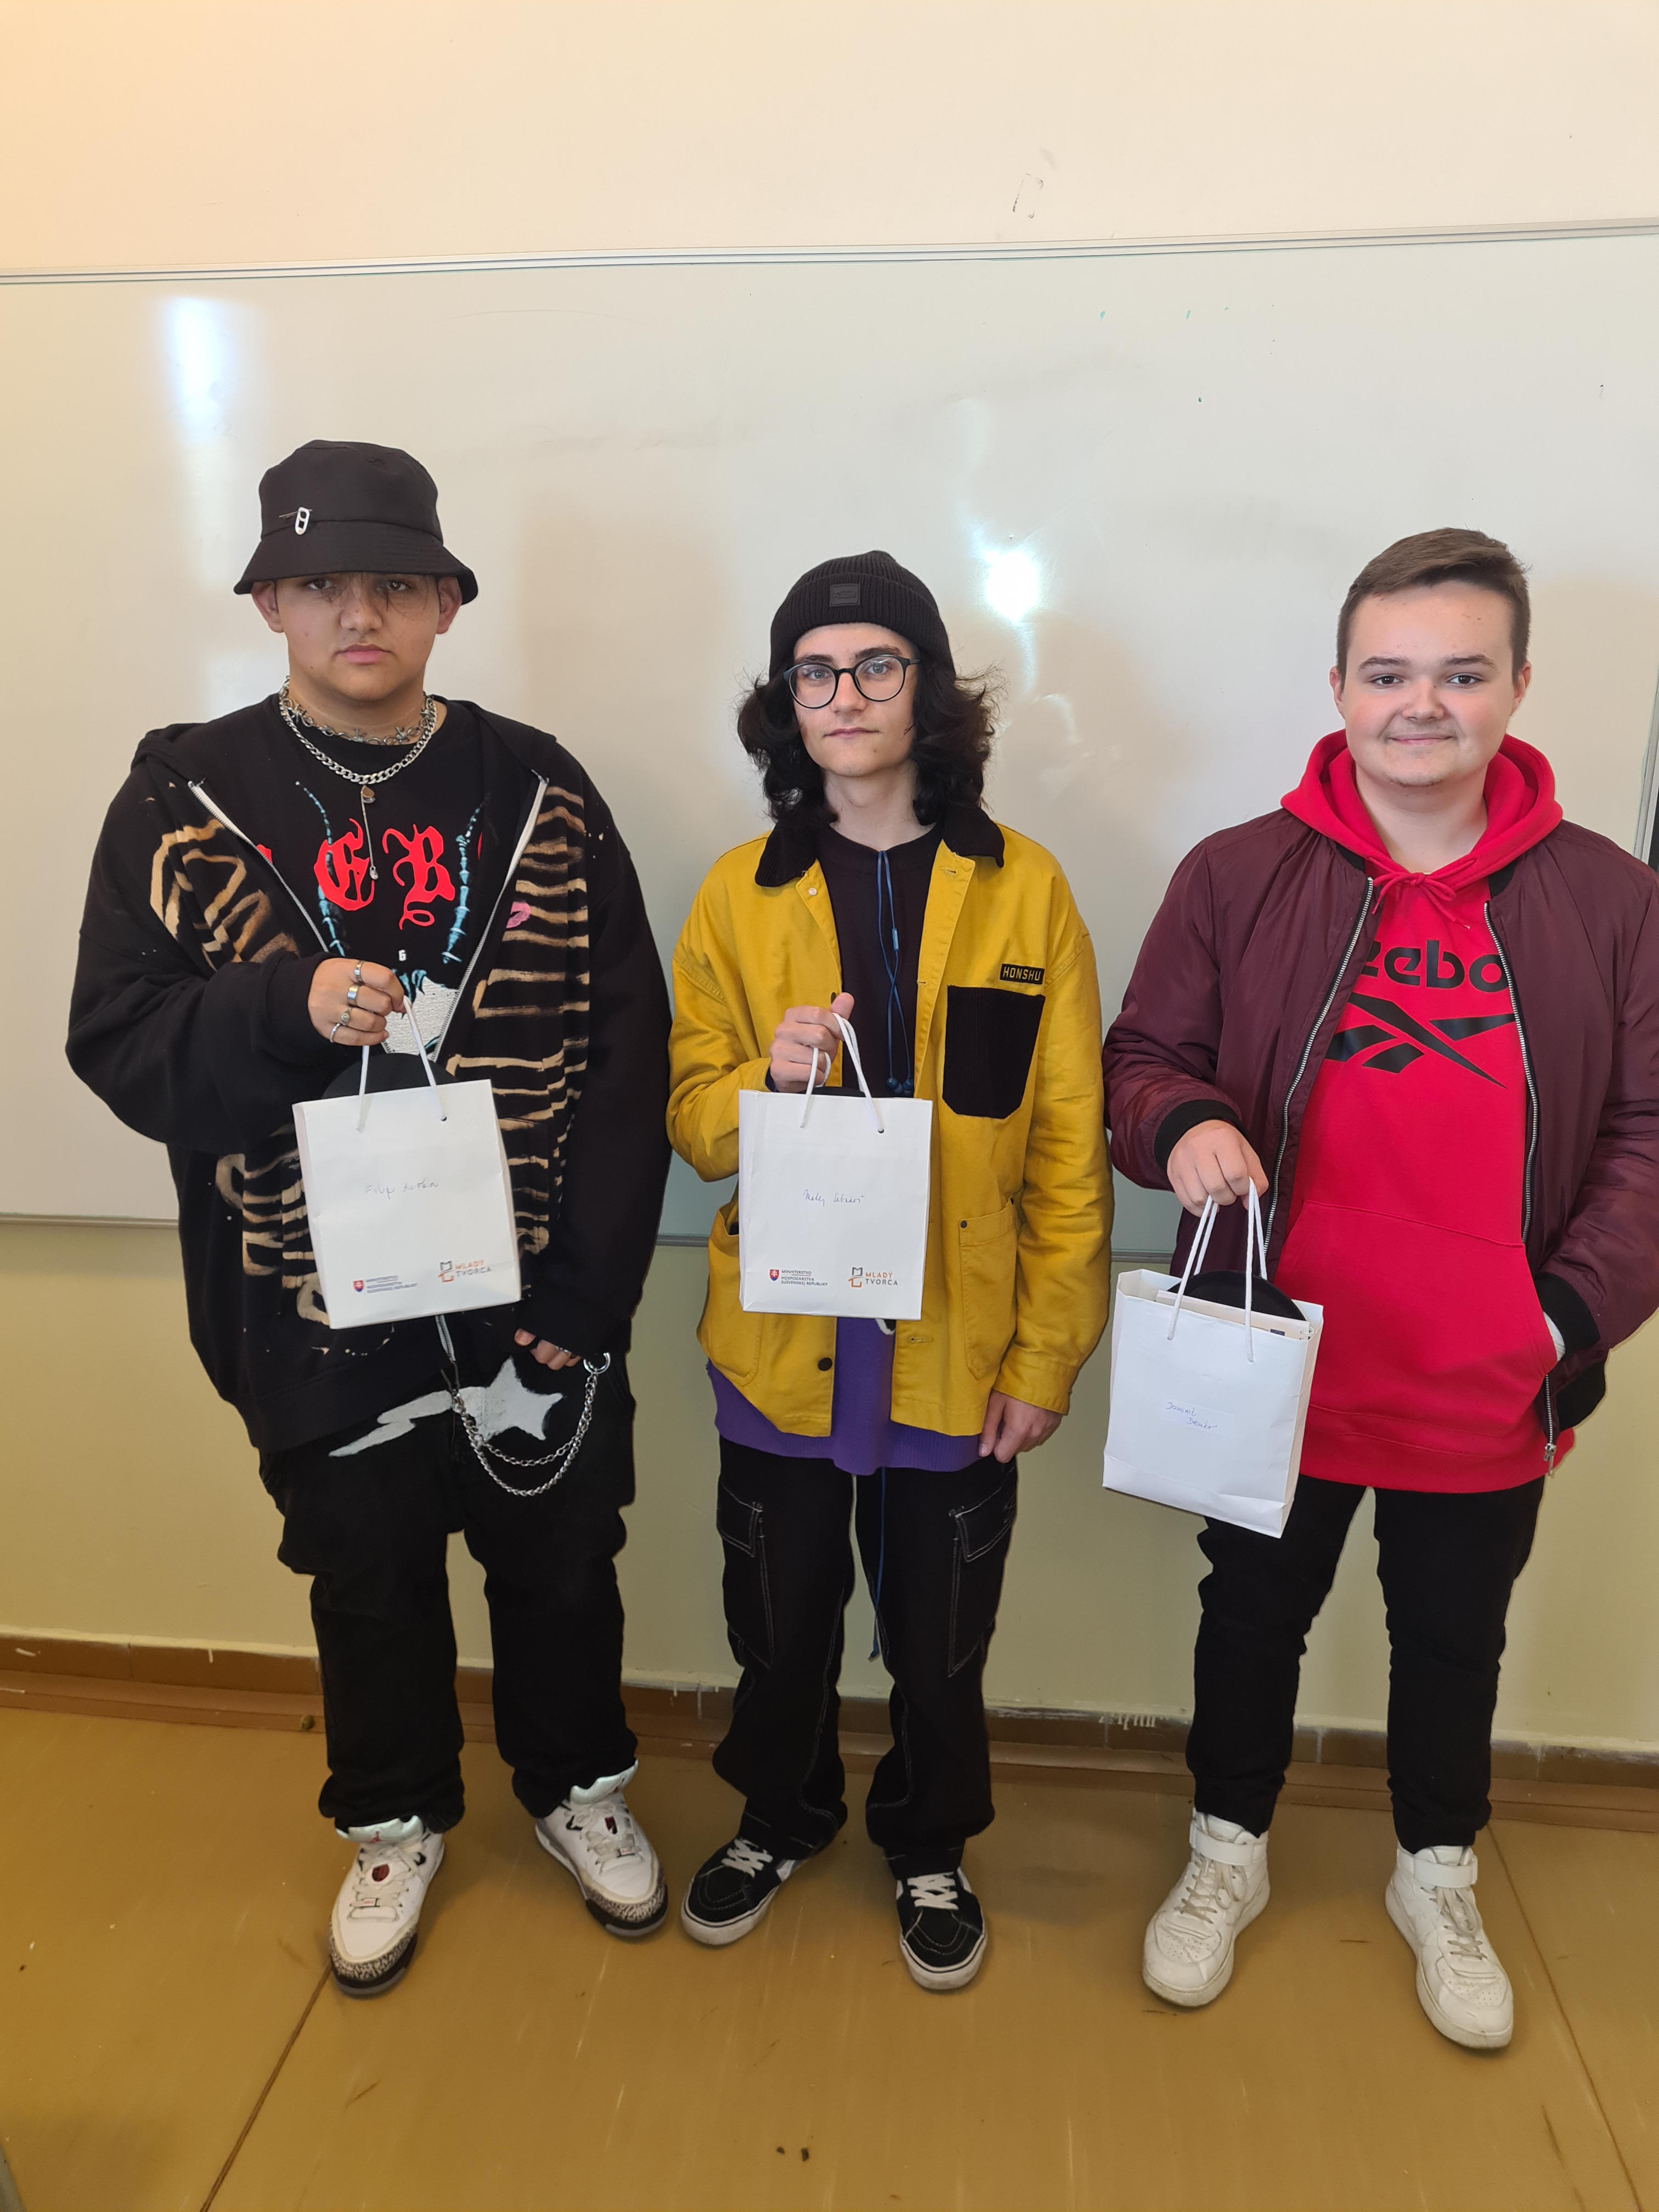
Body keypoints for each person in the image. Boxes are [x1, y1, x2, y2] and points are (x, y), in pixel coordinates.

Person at [67, 440, 673, 1995]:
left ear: (447, 605)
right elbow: (117, 1042)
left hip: (530, 1290)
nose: (360, 613)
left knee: (564, 1562)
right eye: (322, 581)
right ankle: (394, 1819)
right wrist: (277, 1007)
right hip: (311, 1300)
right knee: (366, 1577)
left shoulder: (538, 786)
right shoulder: (182, 795)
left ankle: (576, 1785)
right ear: (268, 601)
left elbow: (628, 1050)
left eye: (396, 583)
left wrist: (586, 1296)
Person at [1104, 527, 1659, 2049]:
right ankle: (1227, 1848)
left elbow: (1649, 1133)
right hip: (1274, 1359)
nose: (1423, 706)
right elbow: (1139, 1061)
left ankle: (1437, 1870)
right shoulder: (1237, 874)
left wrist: (1564, 1318)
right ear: (1340, 687)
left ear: (1519, 686)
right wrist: (1183, 1122)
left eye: (1462, 674)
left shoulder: (1613, 900)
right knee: (1249, 1621)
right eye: (1390, 674)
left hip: (1491, 1373)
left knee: (1454, 1640)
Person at [667, 550, 1111, 1990]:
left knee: (939, 1641)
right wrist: (767, 1079)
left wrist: (1047, 1358)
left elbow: (1068, 1149)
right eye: (816, 670)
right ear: (784, 701)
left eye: (876, 665)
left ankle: (928, 1843)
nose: (845, 695)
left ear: (928, 692)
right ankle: (777, 1818)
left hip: (960, 1349)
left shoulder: (1024, 889)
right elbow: (692, 1123)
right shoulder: (739, 895)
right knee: (778, 1628)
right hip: (782, 1344)